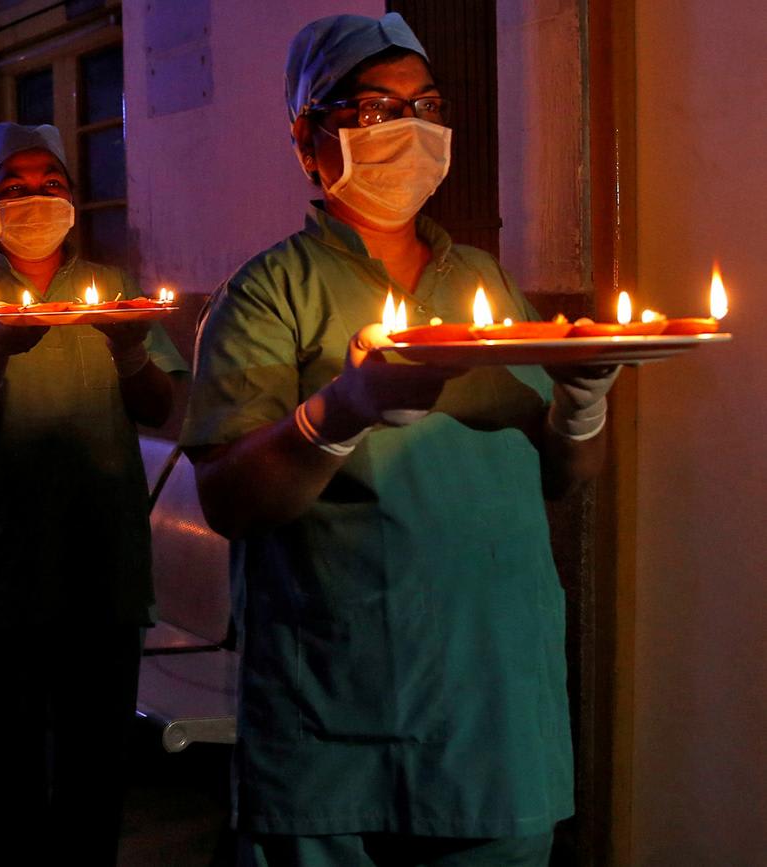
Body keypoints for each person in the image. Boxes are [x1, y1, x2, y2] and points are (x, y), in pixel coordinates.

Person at [179, 14, 619, 865]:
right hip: (338, 710)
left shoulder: (483, 282)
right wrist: (339, 409)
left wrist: (581, 405)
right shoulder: (271, 293)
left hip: (495, 705)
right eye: (376, 109)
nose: (410, 129)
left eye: (425, 105)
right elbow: (229, 499)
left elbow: (565, 476)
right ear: (311, 139)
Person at [0, 122, 188, 864]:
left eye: (51, 185)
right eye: (14, 188)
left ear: (74, 196)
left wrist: (130, 352)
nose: (35, 199)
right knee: (9, 784)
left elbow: (161, 408)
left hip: (102, 566)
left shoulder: (118, 290)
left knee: (94, 780)